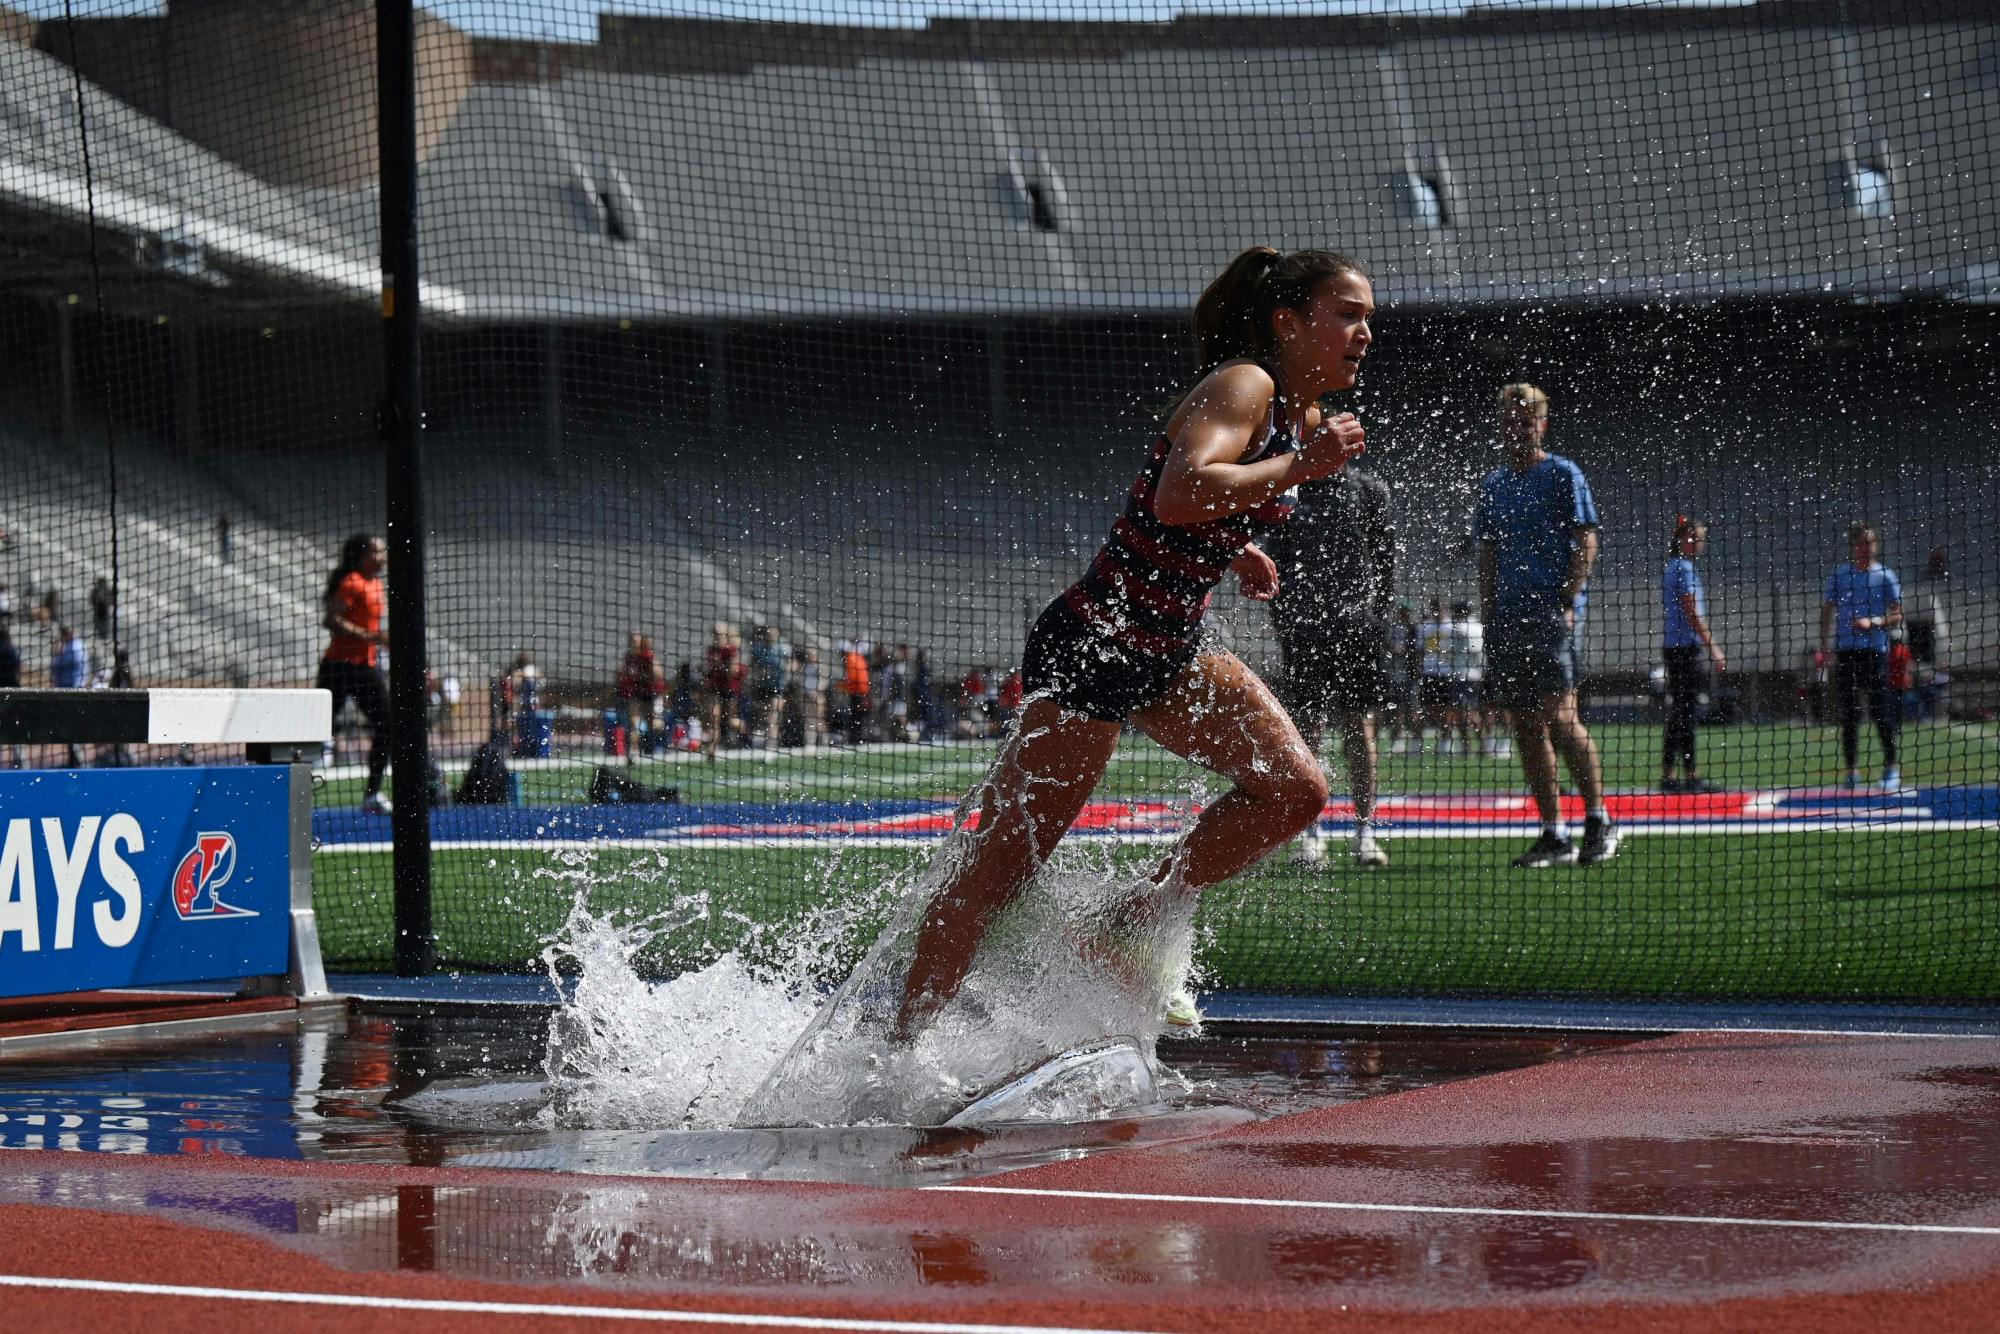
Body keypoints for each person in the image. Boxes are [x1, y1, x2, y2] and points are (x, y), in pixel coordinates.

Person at [894, 245, 1373, 1041]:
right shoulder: (1246, 385)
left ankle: (1123, 924)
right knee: (1000, 871)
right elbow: (1179, 491)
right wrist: (1298, 468)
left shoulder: (1305, 417)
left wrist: (1239, 546)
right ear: (1289, 323)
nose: (1365, 333)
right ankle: (898, 1048)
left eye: (1368, 319)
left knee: (1296, 793)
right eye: (1348, 315)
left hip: (1170, 650)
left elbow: (1199, 506)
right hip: (1094, 649)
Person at [1475, 384, 1618, 868]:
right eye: (1509, 422)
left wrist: (1569, 599)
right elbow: (1488, 553)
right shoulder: (1494, 484)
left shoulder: (1563, 473)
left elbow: (1587, 539)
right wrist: (1489, 611)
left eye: (1526, 421)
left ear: (1542, 425)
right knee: (1525, 725)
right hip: (1506, 619)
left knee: (1561, 718)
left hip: (1549, 616)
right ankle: (1554, 834)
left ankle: (1598, 820)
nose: (1517, 429)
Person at [1259, 456, 1395, 867]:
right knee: (1307, 732)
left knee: (1359, 727)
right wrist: (1285, 622)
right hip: (1305, 631)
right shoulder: (1290, 491)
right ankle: (1309, 835)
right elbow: (1276, 563)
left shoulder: (1369, 490)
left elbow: (1385, 562)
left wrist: (1376, 621)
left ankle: (1364, 832)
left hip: (1358, 630)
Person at [1819, 520, 1903, 790]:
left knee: (1880, 711)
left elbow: (1898, 613)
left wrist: (1875, 622)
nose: (1864, 548)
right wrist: (1825, 647)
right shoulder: (1840, 575)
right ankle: (1852, 771)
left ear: (1876, 545)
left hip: (1875, 652)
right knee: (1849, 714)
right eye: (1859, 544)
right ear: (1853, 547)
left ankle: (1891, 768)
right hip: (1846, 652)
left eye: (1869, 543)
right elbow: (1827, 610)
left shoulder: (1885, 575)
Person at [318, 534, 393, 815]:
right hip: (338, 666)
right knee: (315, 727)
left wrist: (378, 639)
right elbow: (331, 620)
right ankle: (283, 787)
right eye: (378, 551)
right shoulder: (352, 582)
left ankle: (372, 795)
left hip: (364, 667)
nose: (383, 556)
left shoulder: (376, 584)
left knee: (387, 726)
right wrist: (369, 635)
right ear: (363, 556)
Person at [1661, 516, 1726, 792]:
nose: (1699, 543)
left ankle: (1678, 774)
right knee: (1684, 712)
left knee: (1682, 712)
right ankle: (1682, 775)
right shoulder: (1683, 569)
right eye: (1695, 538)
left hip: (1678, 648)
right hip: (1684, 649)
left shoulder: (1678, 567)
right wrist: (1714, 648)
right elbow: (1692, 613)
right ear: (1682, 539)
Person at [616, 632, 661, 762]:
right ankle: (633, 751)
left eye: (636, 641)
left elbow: (658, 674)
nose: (634, 644)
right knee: (634, 722)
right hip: (635, 693)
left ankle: (649, 746)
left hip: (650, 692)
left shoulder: (648, 656)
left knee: (653, 722)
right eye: (632, 641)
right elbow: (621, 674)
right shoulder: (629, 658)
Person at [703, 622, 742, 759]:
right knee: (714, 718)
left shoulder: (731, 650)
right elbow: (708, 670)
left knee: (729, 721)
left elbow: (733, 671)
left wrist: (720, 665)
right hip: (715, 690)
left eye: (719, 634)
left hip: (729, 689)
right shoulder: (711, 651)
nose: (717, 637)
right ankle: (712, 749)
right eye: (715, 634)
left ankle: (744, 729)